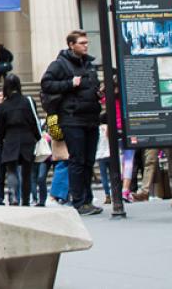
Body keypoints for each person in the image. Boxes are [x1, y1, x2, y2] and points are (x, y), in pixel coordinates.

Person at [40, 30, 104, 216]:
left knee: (88, 161)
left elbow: (91, 85)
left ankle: (87, 200)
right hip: (72, 118)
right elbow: (46, 84)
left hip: (91, 118)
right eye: (82, 43)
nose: (85, 45)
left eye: (86, 42)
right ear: (71, 45)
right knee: (77, 160)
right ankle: (79, 201)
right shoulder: (60, 64)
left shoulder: (89, 65)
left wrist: (97, 93)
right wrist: (69, 83)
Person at [0, 74, 41, 207]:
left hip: (10, 139)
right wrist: (38, 137)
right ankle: (25, 200)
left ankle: (14, 196)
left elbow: (0, 128)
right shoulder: (27, 101)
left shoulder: (2, 106)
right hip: (27, 139)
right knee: (26, 172)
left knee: (11, 170)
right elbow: (34, 121)